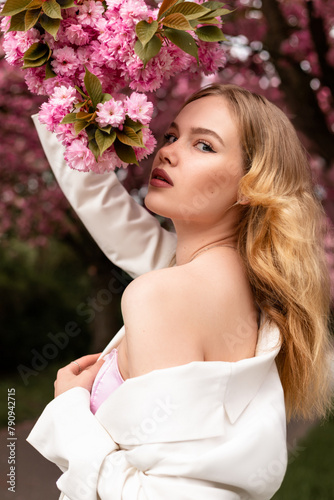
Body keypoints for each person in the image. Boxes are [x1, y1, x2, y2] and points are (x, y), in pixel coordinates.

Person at [27, 84, 332, 500]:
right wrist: (66, 103)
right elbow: (114, 221)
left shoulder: (166, 292)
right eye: (171, 136)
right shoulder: (251, 293)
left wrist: (69, 411)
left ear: (251, 185)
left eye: (204, 145)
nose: (167, 152)